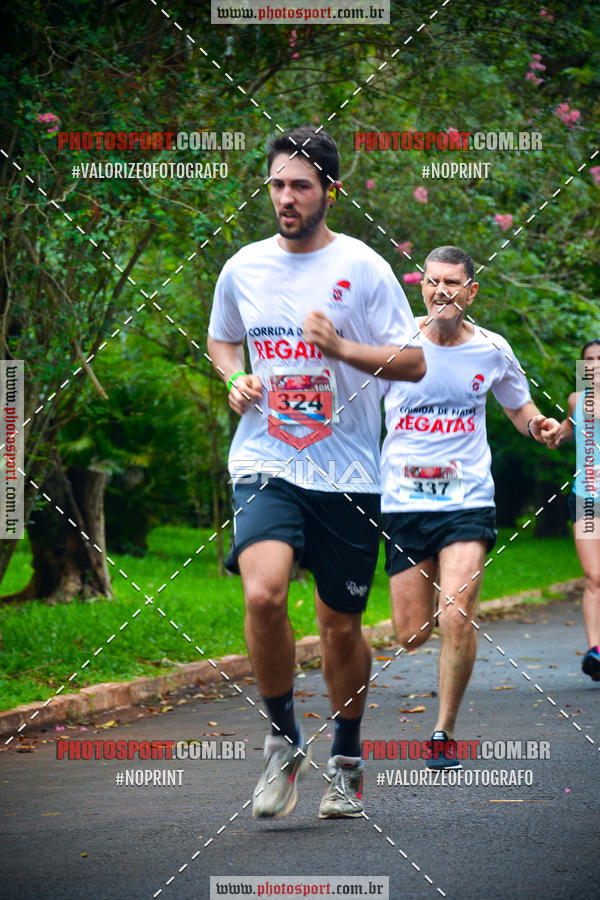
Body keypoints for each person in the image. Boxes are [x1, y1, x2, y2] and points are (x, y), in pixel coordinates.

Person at [206, 126, 425, 818]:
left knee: (338, 625)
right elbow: (221, 337)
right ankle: (282, 742)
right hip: (266, 458)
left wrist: (344, 347)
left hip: (349, 473)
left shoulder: (364, 268)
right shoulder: (243, 267)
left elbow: (414, 362)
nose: (287, 197)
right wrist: (235, 376)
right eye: (277, 184)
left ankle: (349, 756)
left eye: (301, 185)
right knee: (264, 595)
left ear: (331, 189)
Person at [380, 245, 562, 768]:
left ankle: (442, 732)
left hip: (467, 498)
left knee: (457, 616)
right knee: (412, 634)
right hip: (404, 501)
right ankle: (432, 610)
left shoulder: (491, 348)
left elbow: (519, 406)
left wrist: (538, 426)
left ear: (471, 291)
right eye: (433, 281)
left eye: (452, 283)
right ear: (422, 287)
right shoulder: (397, 342)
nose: (441, 291)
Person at [559, 339, 600, 681]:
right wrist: (549, 430)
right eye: (589, 360)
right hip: (587, 498)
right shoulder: (576, 400)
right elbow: (567, 432)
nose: (595, 364)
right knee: (595, 576)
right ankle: (595, 651)